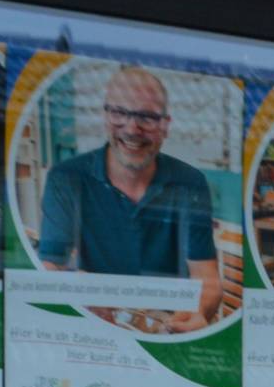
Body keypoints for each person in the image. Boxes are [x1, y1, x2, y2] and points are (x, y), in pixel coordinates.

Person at [32, 64, 223, 330]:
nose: (132, 129)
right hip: (95, 329)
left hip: (164, 328)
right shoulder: (66, 177)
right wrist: (77, 291)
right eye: (120, 112)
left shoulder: (190, 183)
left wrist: (199, 311)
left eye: (146, 117)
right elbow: (51, 266)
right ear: (105, 116)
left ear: (165, 125)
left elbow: (208, 279)